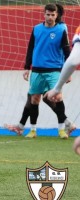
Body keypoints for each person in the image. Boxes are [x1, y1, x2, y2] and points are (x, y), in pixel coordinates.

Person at [4, 3, 75, 137]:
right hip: (37, 70)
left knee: (57, 97)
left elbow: (67, 51)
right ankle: (32, 130)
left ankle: (61, 129)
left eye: (52, 15)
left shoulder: (61, 29)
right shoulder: (36, 29)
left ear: (56, 15)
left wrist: (69, 72)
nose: (50, 17)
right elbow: (30, 48)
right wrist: (27, 68)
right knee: (34, 98)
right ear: (44, 14)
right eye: (47, 14)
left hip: (54, 69)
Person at [45, 25, 80, 154]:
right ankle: (67, 123)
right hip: (40, 69)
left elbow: (73, 61)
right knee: (42, 98)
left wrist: (57, 88)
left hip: (56, 70)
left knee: (52, 96)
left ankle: (65, 124)